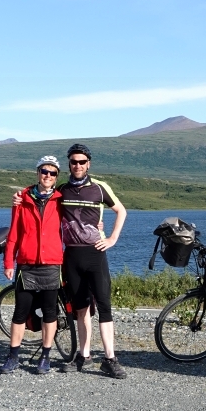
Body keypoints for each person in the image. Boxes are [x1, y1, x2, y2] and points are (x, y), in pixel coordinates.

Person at [57, 143, 128, 378]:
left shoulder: (99, 188)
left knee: (105, 306)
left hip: (95, 253)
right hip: (72, 255)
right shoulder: (62, 190)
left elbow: (121, 210)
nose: (77, 165)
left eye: (82, 162)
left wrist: (112, 238)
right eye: (74, 161)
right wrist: (19, 198)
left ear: (89, 164)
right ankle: (84, 356)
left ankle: (110, 359)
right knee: (81, 308)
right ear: (69, 164)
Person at [0, 155, 64, 375]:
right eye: (44, 171)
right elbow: (14, 233)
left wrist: (98, 225)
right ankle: (13, 356)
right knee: (20, 312)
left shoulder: (61, 199)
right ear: (38, 173)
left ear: (56, 177)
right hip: (26, 263)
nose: (47, 176)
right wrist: (8, 261)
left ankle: (45, 356)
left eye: (52, 173)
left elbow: (77, 221)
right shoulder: (23, 199)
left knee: (49, 312)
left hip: (52, 262)